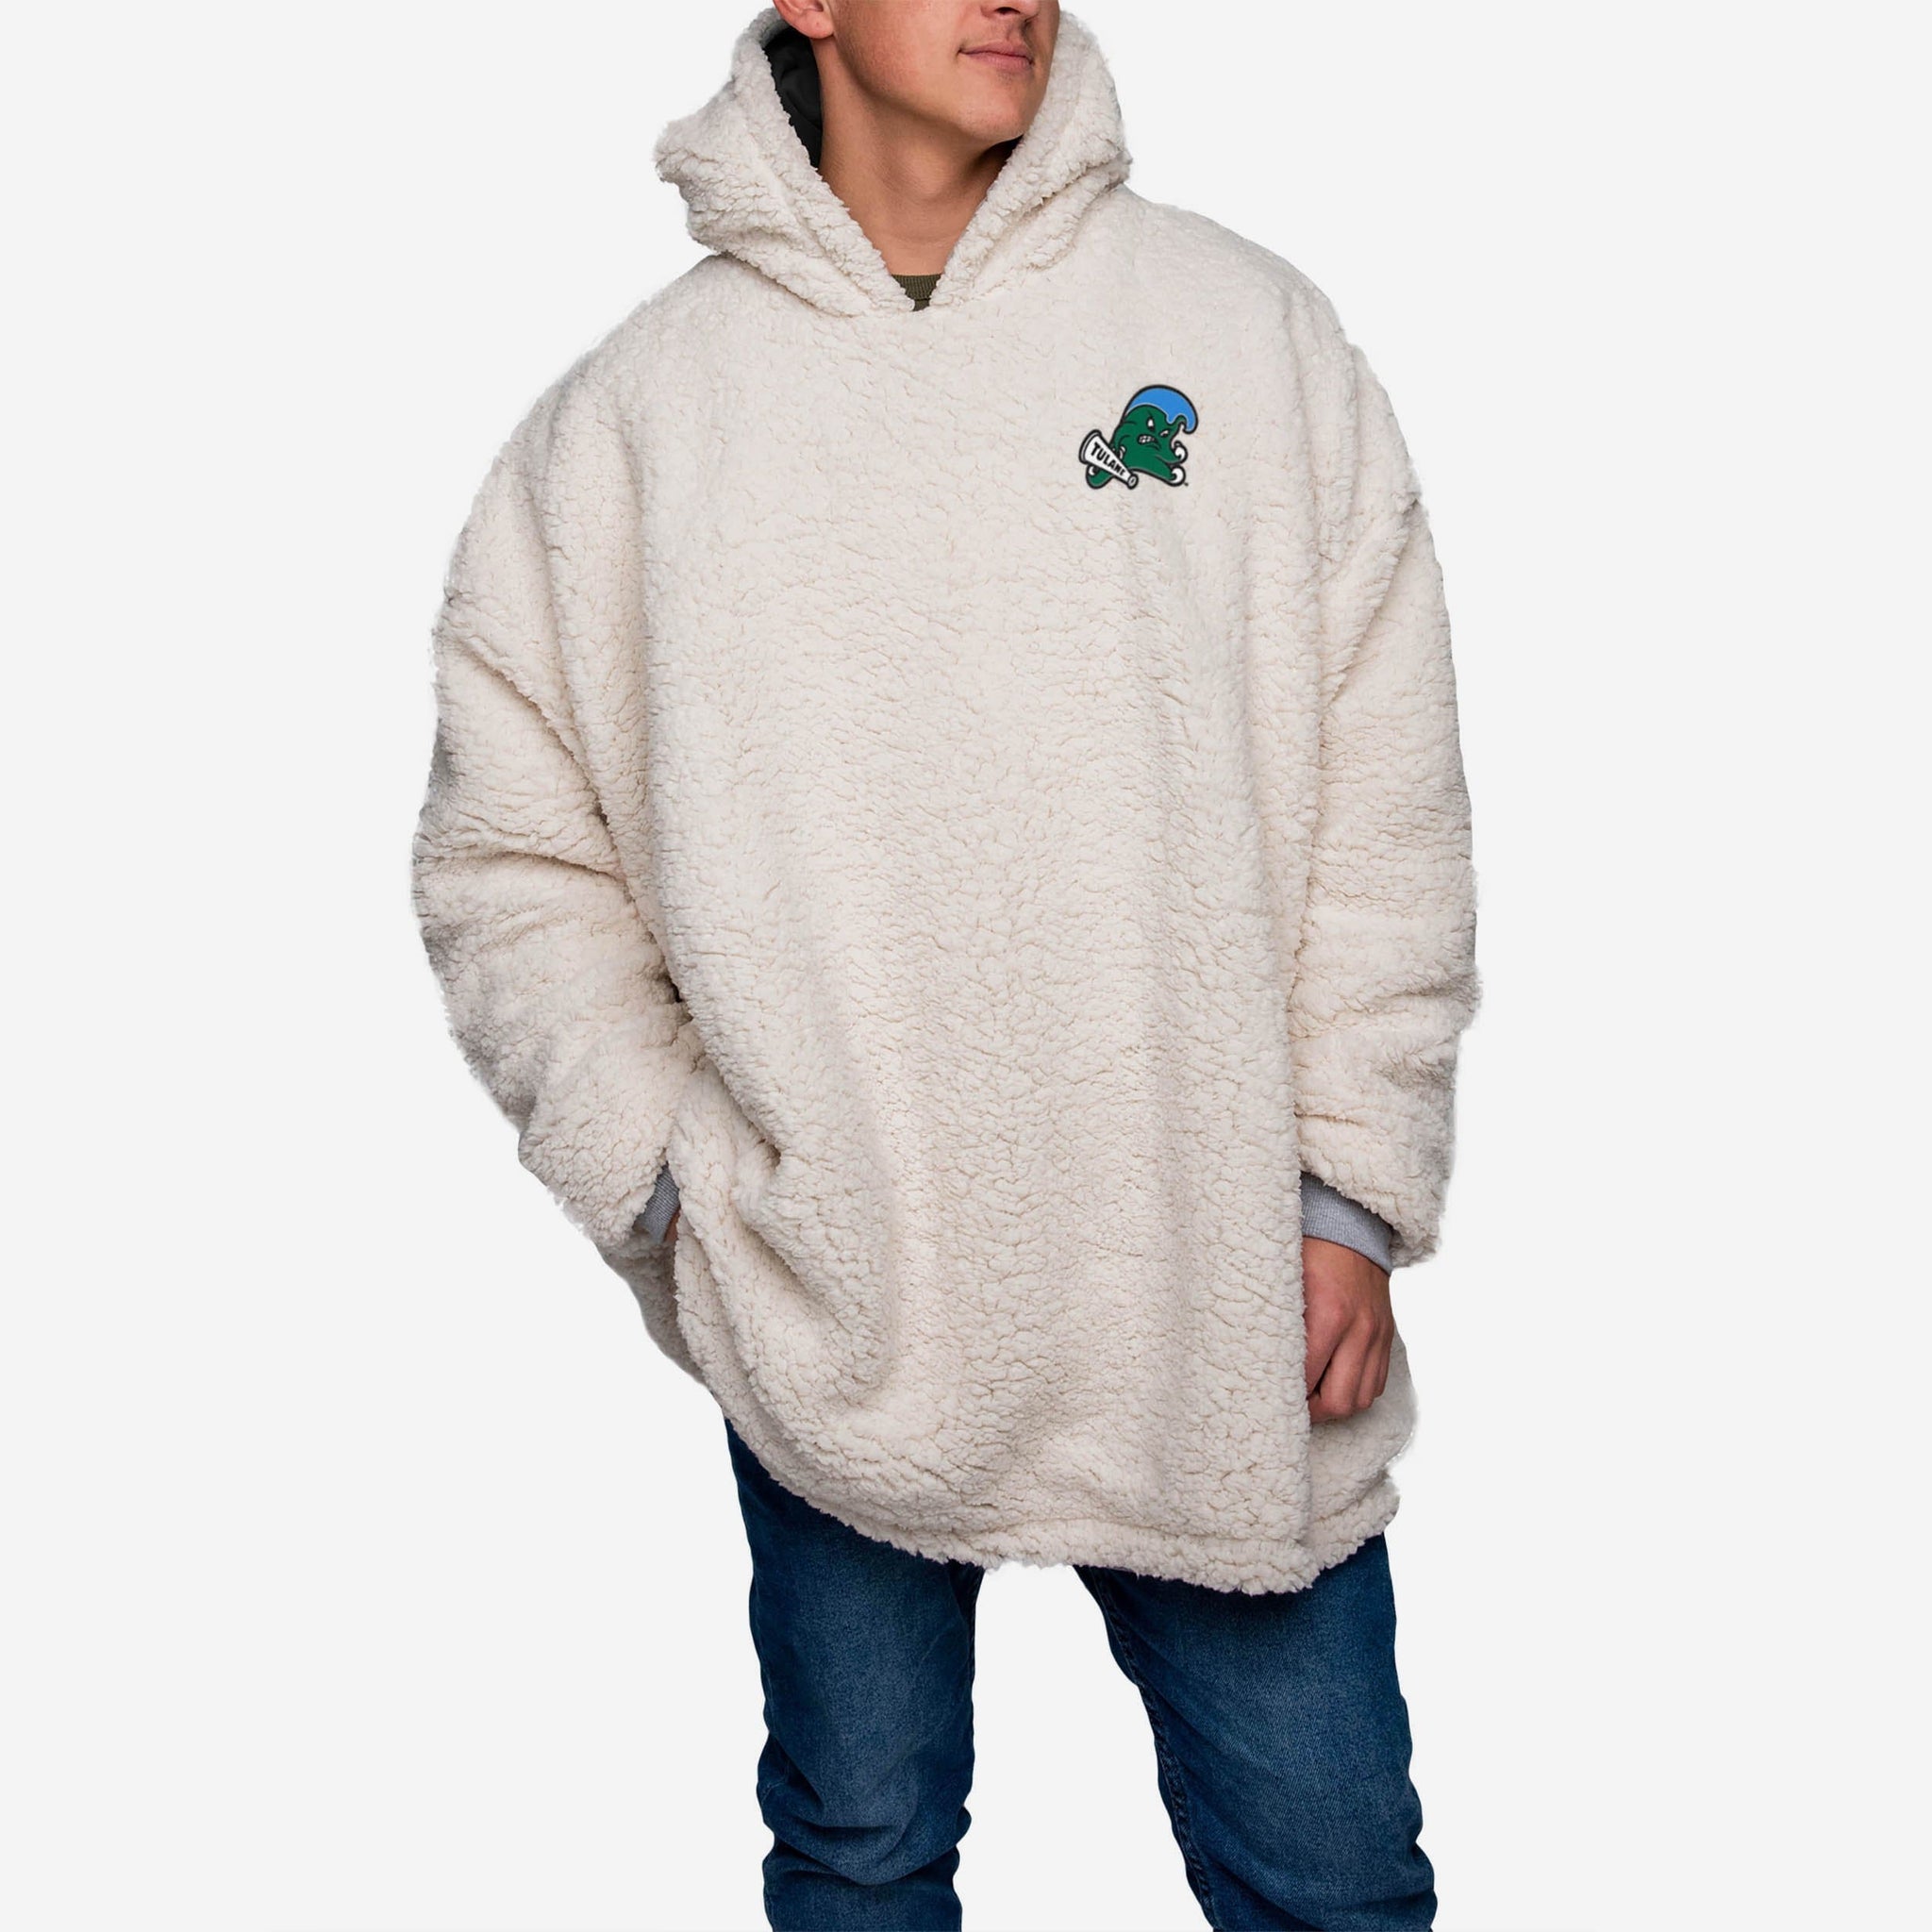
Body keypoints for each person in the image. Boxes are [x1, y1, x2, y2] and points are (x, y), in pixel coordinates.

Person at [411, 3, 1478, 1925]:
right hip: (838, 1296)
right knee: (863, 1855)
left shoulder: (1242, 339)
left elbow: (1383, 793)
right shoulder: (641, 422)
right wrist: (671, 1180)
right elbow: (513, 858)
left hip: (1213, 1286)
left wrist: (1348, 1189)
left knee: (1335, 1878)